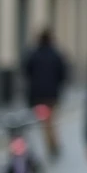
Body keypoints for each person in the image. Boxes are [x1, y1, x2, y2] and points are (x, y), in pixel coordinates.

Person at [23, 28, 68, 159]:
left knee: (45, 121)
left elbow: (27, 72)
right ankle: (53, 144)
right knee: (51, 120)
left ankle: (52, 144)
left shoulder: (33, 55)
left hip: (38, 95)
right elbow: (62, 74)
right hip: (52, 95)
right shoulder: (56, 55)